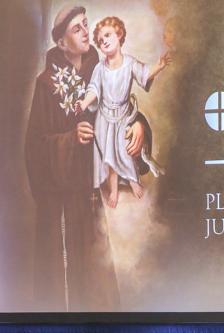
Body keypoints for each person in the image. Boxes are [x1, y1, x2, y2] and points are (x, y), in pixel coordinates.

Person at [24, 5, 148, 311]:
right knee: (64, 282)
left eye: (85, 24)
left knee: (96, 280)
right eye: (76, 28)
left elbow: (122, 109)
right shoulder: (46, 84)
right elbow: (34, 147)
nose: (84, 31)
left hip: (90, 195)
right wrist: (69, 139)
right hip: (61, 205)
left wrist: (139, 126)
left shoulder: (104, 67)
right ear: (62, 42)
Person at [75, 16, 168, 208]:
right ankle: (114, 190)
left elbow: (144, 74)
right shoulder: (100, 68)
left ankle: (133, 180)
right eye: (100, 40)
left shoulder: (129, 63)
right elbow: (93, 88)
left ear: (119, 34)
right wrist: (83, 103)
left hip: (124, 116)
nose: (104, 41)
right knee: (108, 156)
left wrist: (158, 67)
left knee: (124, 150)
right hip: (104, 118)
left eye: (108, 35)